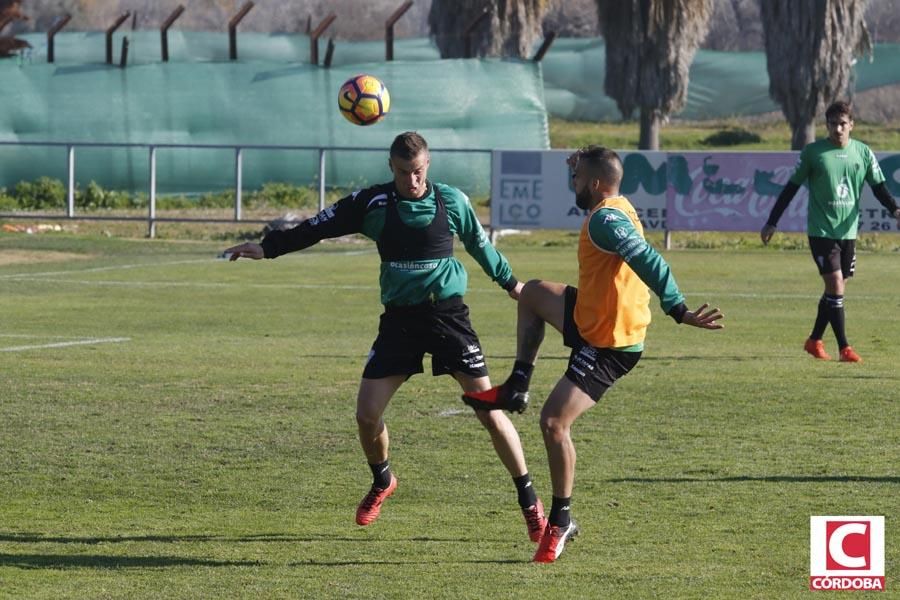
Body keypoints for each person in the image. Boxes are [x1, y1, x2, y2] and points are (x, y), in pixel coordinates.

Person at [222, 131, 547, 542]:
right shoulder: (372, 203)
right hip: (400, 323)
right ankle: (383, 480)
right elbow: (317, 226)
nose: (412, 180)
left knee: (490, 412)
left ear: (427, 165)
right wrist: (268, 248)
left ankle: (529, 501)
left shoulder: (451, 201)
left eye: (418, 171)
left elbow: (481, 246)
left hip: (448, 318)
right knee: (366, 415)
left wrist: (513, 285)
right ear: (390, 167)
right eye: (403, 172)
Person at [463, 145, 724, 563]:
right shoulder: (614, 203)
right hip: (590, 315)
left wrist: (677, 307)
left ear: (597, 184)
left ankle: (561, 520)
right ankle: (517, 386)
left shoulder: (606, 219)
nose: (573, 183)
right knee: (530, 294)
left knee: (553, 423)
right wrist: (581, 163)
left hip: (609, 343)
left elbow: (648, 259)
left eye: (578, 178)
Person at [761, 101, 900, 363]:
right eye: (833, 124)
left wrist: (895, 210)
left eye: (842, 124)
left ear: (851, 125)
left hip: (848, 233)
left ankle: (814, 340)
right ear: (826, 125)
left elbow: (879, 187)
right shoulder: (814, 153)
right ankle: (844, 348)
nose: (838, 129)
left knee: (835, 291)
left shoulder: (863, 153)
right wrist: (772, 221)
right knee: (835, 285)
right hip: (821, 231)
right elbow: (790, 189)